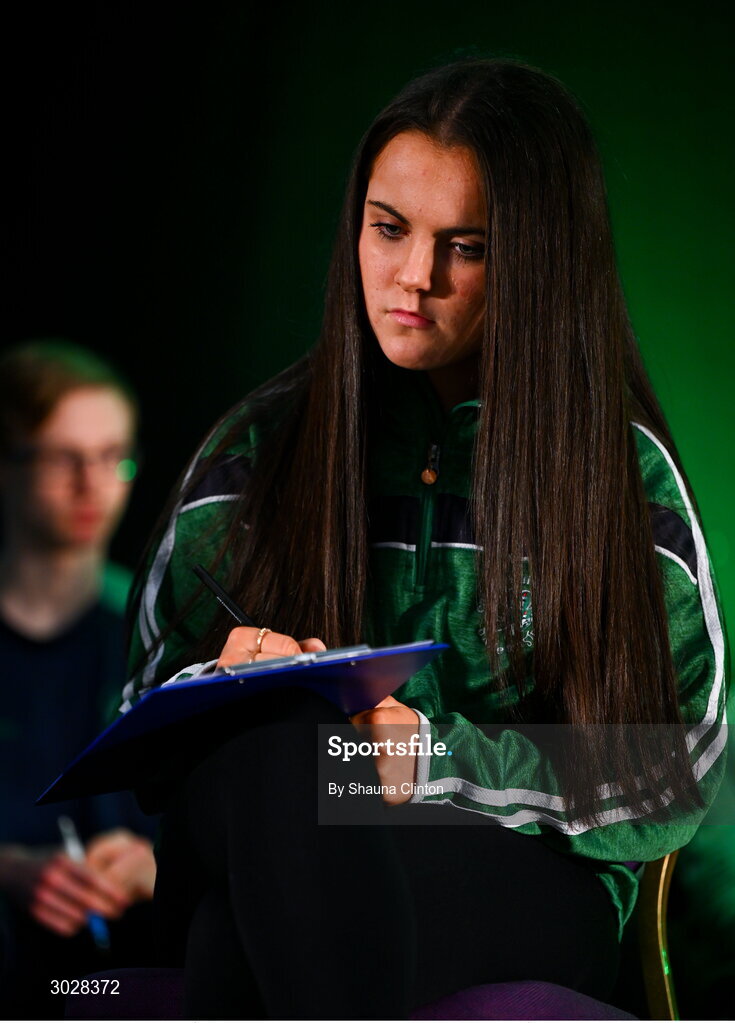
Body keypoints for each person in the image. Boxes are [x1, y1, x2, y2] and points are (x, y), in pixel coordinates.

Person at [123, 59, 727, 1019]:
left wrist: (434, 758)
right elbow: (141, 716)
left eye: (468, 246)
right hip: (287, 806)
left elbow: (677, 765)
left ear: (539, 260)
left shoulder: (623, 478)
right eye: (388, 229)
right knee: (291, 754)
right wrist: (222, 685)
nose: (414, 277)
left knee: (236, 929)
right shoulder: (260, 444)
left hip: (508, 868)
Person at [0, 340, 157, 1017]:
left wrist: (156, 864)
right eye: (64, 457)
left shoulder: (161, 641)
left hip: (128, 967)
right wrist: (9, 870)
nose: (92, 483)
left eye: (112, 457)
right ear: (7, 466)